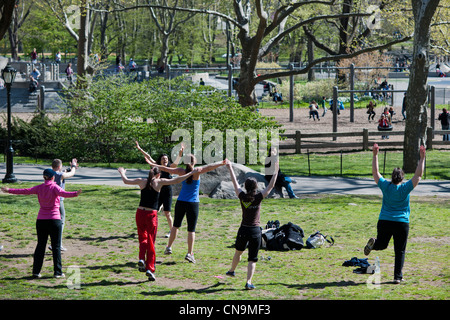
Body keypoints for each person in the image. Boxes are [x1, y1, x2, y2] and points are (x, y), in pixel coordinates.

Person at [118, 166, 197, 281]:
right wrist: (191, 173)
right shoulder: (159, 182)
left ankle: (141, 259)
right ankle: (150, 268)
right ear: (159, 174)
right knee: (151, 241)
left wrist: (122, 172)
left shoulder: (142, 181)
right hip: (151, 215)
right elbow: (177, 180)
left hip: (140, 213)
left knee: (142, 238)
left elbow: (126, 181)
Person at [1, 169, 81, 278]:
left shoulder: (39, 187)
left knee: (40, 246)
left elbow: (25, 190)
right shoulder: (55, 187)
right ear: (53, 177)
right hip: (54, 220)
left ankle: (36, 272)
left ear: (44, 177)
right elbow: (64, 194)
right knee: (56, 247)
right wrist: (76, 194)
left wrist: (9, 190)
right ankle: (57, 272)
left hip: (41, 220)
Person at [364, 143, 425, 284]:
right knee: (400, 251)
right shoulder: (405, 188)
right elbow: (418, 175)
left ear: (392, 177)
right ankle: (397, 277)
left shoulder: (386, 186)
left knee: (383, 244)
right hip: (402, 222)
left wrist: (375, 155)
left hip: (385, 221)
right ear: (402, 178)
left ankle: (374, 245)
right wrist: (422, 158)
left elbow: (375, 173)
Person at [154, 156, 227, 263]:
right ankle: (189, 253)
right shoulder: (197, 171)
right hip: (192, 203)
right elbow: (210, 167)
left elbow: (166, 169)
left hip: (181, 202)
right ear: (195, 161)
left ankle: (169, 247)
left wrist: (154, 164)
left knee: (175, 226)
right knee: (191, 229)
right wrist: (222, 163)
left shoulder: (180, 171)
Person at [225, 159, 279, 290]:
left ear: (245, 187)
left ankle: (232, 270)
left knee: (238, 252)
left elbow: (234, 182)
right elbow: (271, 186)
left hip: (243, 230)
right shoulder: (258, 197)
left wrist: (230, 167)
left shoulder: (241, 196)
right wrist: (275, 171)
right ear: (255, 188)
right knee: (252, 259)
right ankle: (248, 282)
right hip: (255, 231)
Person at [135, 141, 184, 238]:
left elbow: (176, 162)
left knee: (167, 213)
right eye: (163, 159)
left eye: (166, 159)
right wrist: (140, 149)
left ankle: (172, 231)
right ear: (160, 160)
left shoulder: (170, 167)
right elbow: (148, 157)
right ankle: (150, 229)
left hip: (167, 192)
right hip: (158, 192)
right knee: (154, 211)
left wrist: (180, 153)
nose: (165, 160)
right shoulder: (157, 166)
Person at [49, 158, 79, 252]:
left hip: (48, 201)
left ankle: (54, 243)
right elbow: (71, 174)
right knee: (60, 222)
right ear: (59, 166)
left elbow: (63, 173)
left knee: (52, 223)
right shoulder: (60, 174)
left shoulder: (49, 173)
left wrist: (67, 170)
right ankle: (57, 244)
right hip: (58, 202)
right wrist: (73, 166)